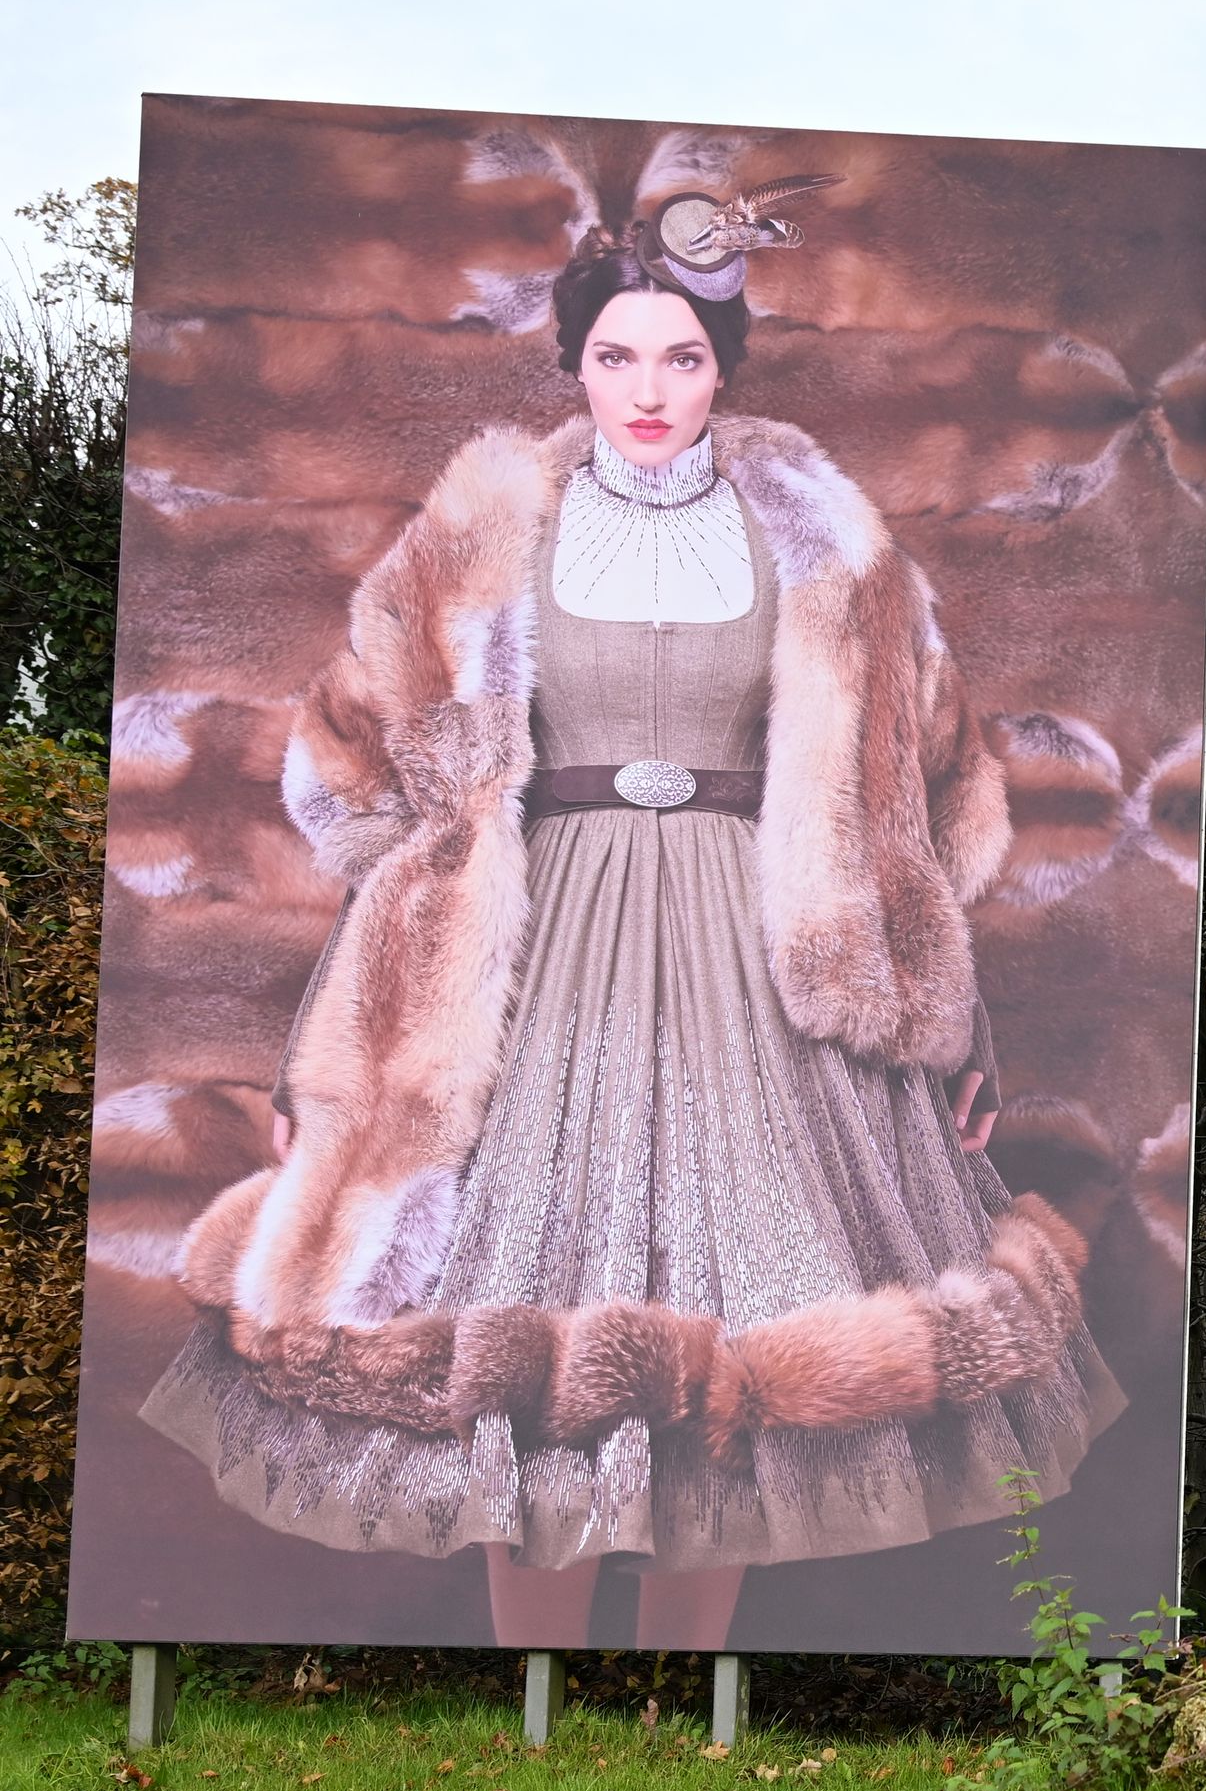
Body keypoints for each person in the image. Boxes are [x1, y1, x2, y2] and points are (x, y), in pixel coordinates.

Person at [144, 187, 1113, 1650]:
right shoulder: (472, 550)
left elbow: (910, 809)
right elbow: (393, 832)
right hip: (536, 953)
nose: (647, 391)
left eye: (680, 359)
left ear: (725, 367)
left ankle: (677, 1697)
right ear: (572, 366)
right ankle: (545, 1699)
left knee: (737, 1311)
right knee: (530, 1295)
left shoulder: (835, 556)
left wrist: (952, 1016)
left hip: (760, 958)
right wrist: (316, 1066)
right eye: (616, 358)